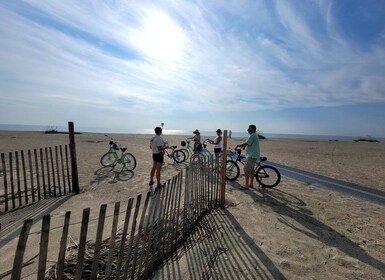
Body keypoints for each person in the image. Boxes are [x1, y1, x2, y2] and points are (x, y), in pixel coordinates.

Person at [235, 124, 260, 190]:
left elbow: (246, 143)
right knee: (251, 170)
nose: (247, 130)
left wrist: (238, 145)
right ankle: (251, 184)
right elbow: (248, 143)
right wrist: (245, 146)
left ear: (253, 129)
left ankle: (246, 185)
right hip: (253, 155)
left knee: (246, 170)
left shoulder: (252, 135)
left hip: (251, 155)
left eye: (249, 129)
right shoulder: (254, 135)